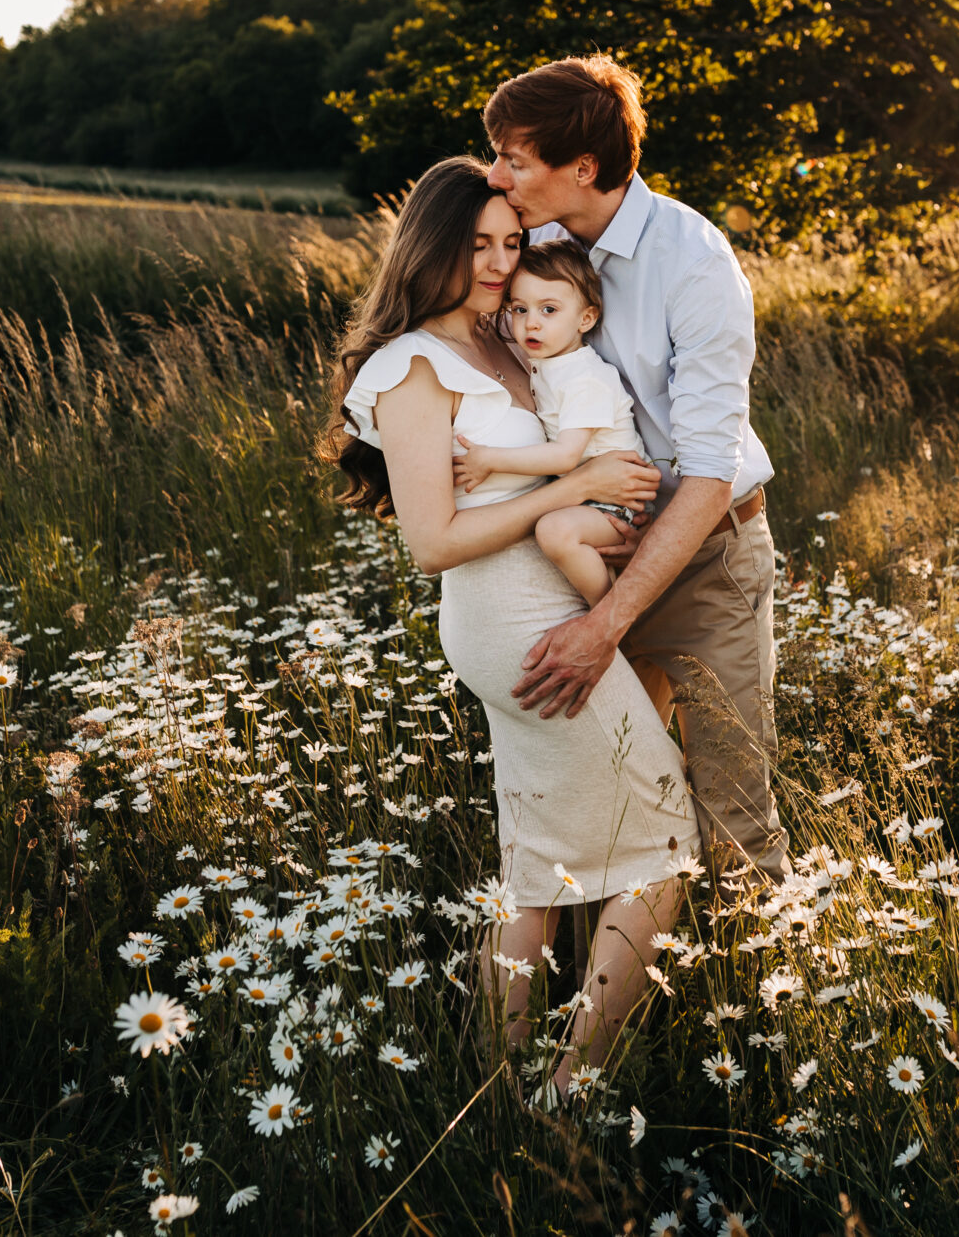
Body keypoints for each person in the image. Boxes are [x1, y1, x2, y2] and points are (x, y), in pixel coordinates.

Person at [323, 156, 689, 1097]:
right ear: (429, 244)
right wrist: (573, 488)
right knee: (665, 847)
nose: (497, 263)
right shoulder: (408, 366)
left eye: (510, 241)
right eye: (476, 244)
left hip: (548, 605)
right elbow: (432, 541)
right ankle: (573, 1083)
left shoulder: (503, 342)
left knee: (538, 867)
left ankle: (502, 1083)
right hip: (514, 621)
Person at [485, 56, 791, 885]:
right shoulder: (527, 247)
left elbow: (706, 472)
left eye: (513, 157)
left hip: (706, 559)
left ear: (581, 168)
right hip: (587, 545)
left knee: (732, 813)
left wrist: (606, 623)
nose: (495, 173)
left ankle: (752, 1001)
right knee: (613, 798)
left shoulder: (694, 261)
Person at [448, 238, 677, 730]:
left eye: (549, 309)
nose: (531, 322)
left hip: (618, 506)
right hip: (593, 498)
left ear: (586, 319)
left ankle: (615, 616)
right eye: (520, 308)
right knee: (553, 526)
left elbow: (567, 455)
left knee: (554, 531)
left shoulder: (584, 378)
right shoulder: (545, 365)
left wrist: (490, 459)